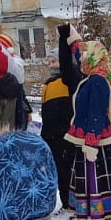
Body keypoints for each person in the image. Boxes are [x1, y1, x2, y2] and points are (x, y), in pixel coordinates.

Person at [64, 39, 111, 220]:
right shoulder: (93, 76)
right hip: (92, 137)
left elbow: (96, 113)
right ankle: (103, 214)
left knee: (98, 178)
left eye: (85, 55)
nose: (82, 59)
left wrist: (91, 142)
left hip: (95, 139)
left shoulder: (97, 80)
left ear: (93, 56)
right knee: (98, 178)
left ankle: (108, 216)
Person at [40, 61, 77, 210]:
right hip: (51, 134)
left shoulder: (69, 80)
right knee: (60, 171)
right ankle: (66, 201)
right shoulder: (47, 85)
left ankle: (73, 201)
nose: (51, 64)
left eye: (53, 60)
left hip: (66, 133)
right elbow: (45, 112)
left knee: (69, 169)